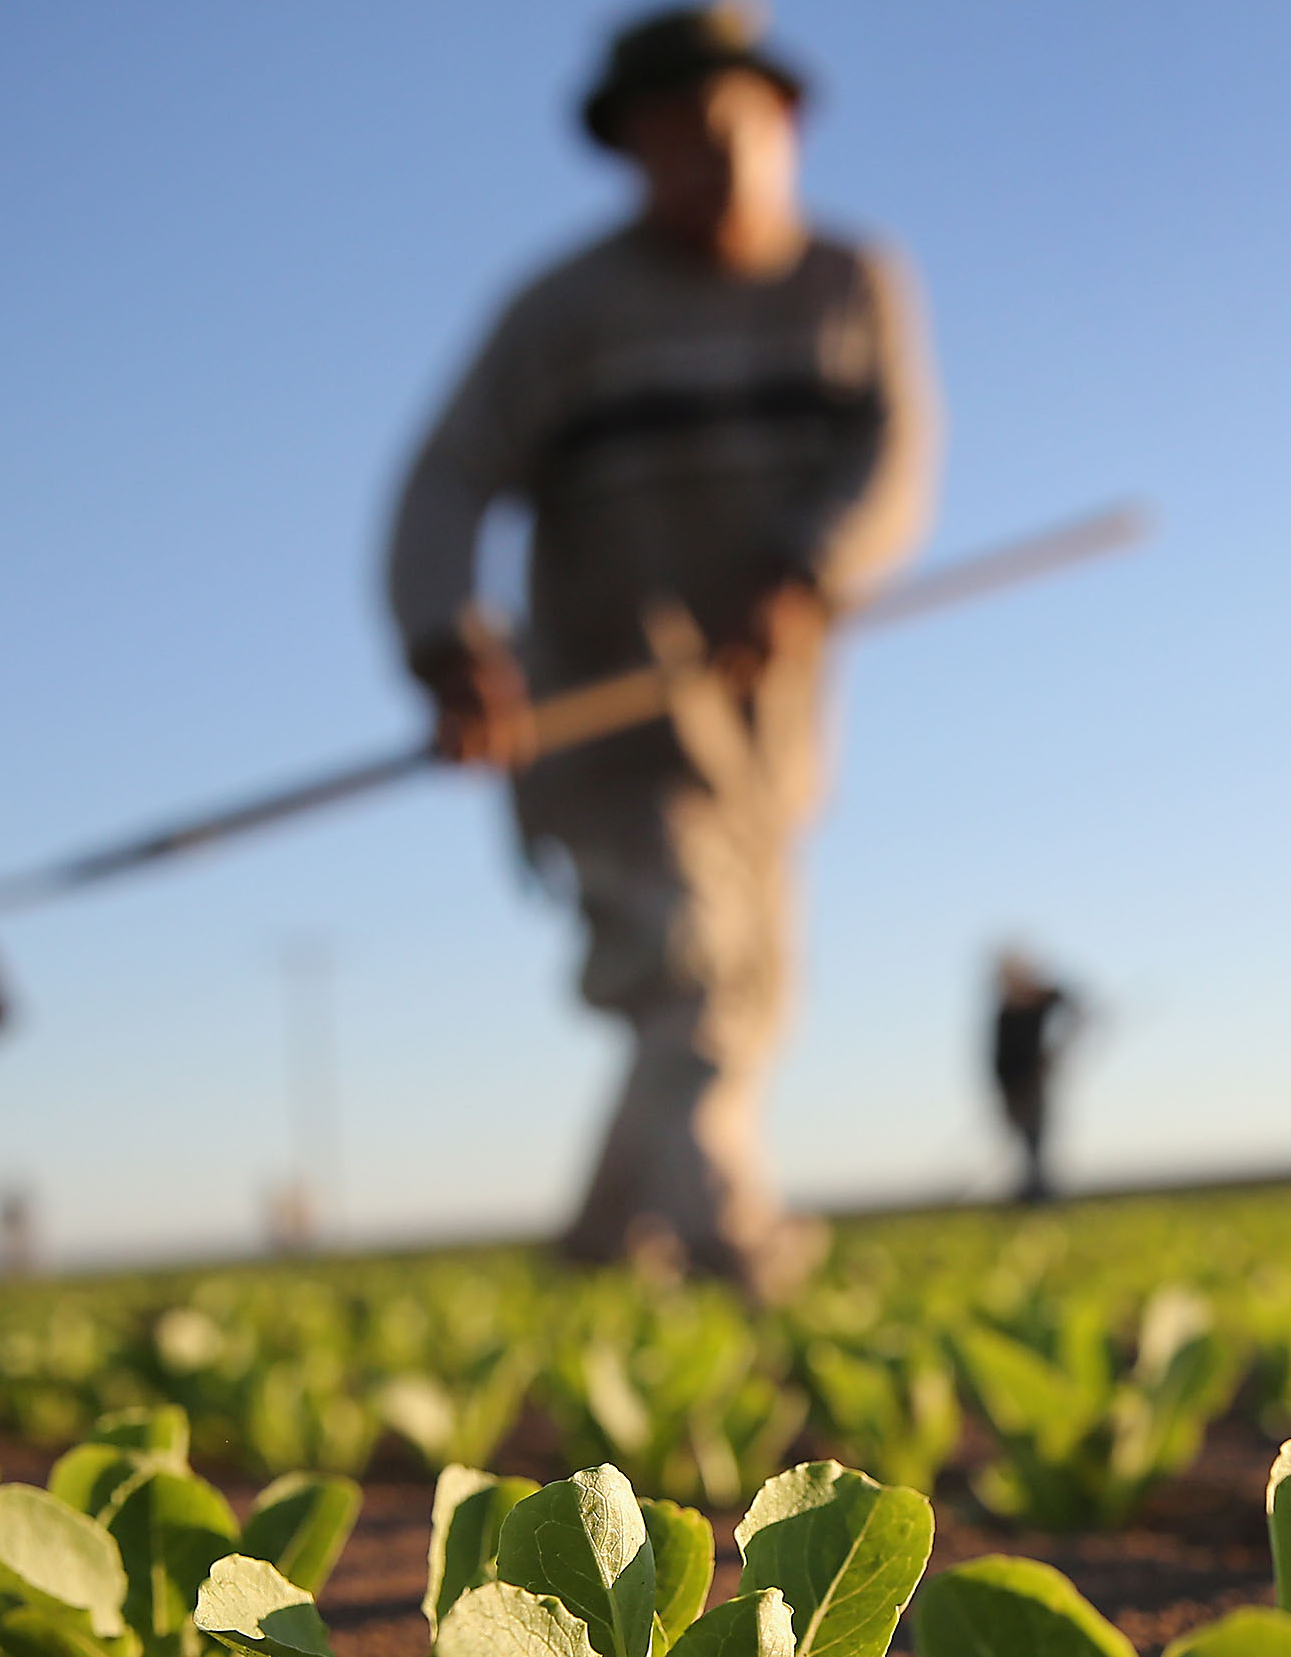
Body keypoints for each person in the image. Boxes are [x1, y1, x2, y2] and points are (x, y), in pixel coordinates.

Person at [386, 7, 938, 1298]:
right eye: (670, 143)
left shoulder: (849, 284)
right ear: (627, 153)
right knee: (686, 971)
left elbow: (891, 462)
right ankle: (731, 1246)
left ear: (784, 126)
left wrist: (809, 567)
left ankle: (595, 1247)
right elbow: (443, 480)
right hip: (603, 715)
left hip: (768, 726)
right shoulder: (561, 314)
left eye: (728, 133)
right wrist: (445, 641)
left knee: (744, 984)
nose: (706, 164)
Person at [989, 949, 1080, 1204]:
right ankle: (1033, 1191)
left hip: (1035, 1083)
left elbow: (1076, 1010)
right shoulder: (1005, 1013)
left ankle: (1040, 1194)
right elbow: (999, 1060)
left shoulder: (1043, 999)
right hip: (1012, 1087)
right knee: (1026, 1143)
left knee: (1037, 1139)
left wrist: (1058, 1050)